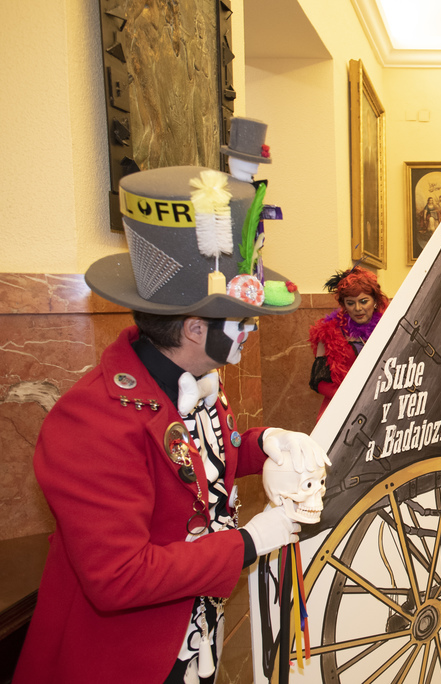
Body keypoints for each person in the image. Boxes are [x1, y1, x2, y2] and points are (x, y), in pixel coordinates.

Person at [14, 166, 330, 684]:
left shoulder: (193, 374)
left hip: (192, 630)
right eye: (242, 322)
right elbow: (117, 578)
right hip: (124, 657)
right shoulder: (91, 420)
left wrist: (264, 443)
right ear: (193, 328)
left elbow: (194, 464)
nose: (251, 332)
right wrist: (248, 543)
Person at [309, 267, 390, 419]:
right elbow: (318, 382)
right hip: (340, 413)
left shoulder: (388, 327)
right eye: (350, 303)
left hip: (380, 410)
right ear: (344, 305)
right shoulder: (329, 333)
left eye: (364, 301)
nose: (358, 308)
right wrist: (352, 396)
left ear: (375, 301)